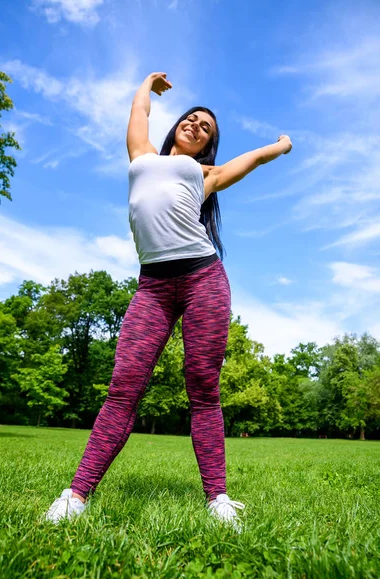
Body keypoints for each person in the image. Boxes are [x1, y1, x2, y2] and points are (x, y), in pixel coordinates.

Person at [45, 72, 292, 530]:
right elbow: (138, 113)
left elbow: (254, 158)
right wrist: (146, 84)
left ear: (207, 148)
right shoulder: (142, 157)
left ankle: (217, 497)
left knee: (202, 385)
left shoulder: (205, 175)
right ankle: (76, 495)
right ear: (177, 125)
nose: (198, 125)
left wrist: (281, 144)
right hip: (153, 287)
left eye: (207, 129)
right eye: (192, 119)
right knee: (123, 388)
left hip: (204, 278)